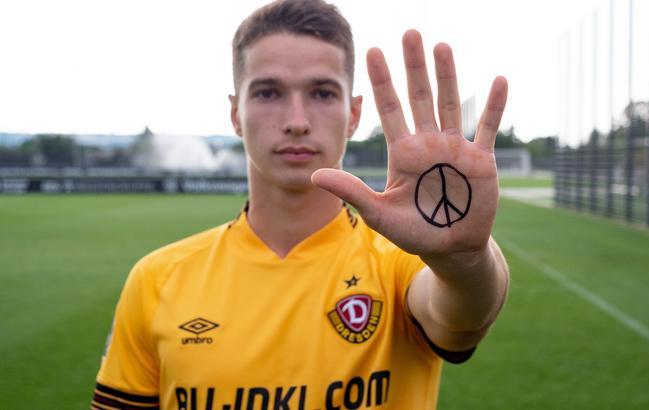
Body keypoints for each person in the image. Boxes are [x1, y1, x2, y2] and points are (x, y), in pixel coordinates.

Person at [91, 0, 509, 409]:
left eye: (322, 93)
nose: (296, 121)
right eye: (268, 92)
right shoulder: (157, 280)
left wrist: (463, 260)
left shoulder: (402, 263)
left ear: (353, 114)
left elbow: (462, 315)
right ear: (235, 114)